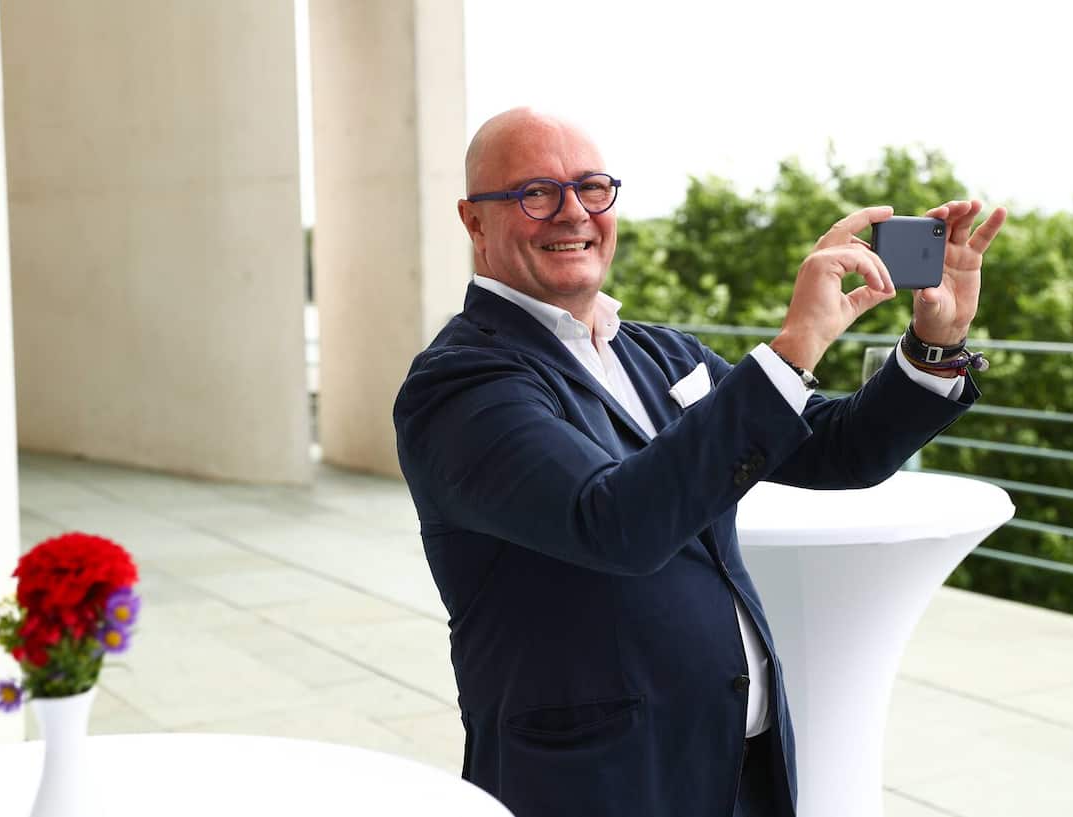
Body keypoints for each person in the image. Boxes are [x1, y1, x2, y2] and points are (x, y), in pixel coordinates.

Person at [393, 107, 1006, 817]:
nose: (572, 212)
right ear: (474, 221)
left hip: (731, 765)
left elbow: (835, 448)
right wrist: (792, 348)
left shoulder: (660, 353)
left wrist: (935, 343)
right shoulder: (460, 384)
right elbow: (615, 522)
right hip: (595, 781)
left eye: (591, 188)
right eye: (535, 192)